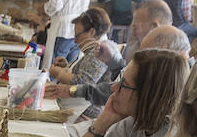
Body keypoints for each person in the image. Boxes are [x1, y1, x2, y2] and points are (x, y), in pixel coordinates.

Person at [44, 22, 181, 123]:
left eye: (135, 26)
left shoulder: (170, 84)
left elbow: (111, 88)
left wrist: (64, 80)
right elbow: (119, 84)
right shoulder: (164, 71)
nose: (131, 32)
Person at [45, 7, 112, 118]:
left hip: (85, 114)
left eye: (77, 35)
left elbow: (84, 83)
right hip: (75, 107)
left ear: (92, 32)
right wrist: (67, 67)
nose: (75, 41)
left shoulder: (99, 53)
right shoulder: (93, 50)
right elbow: (86, 72)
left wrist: (59, 74)